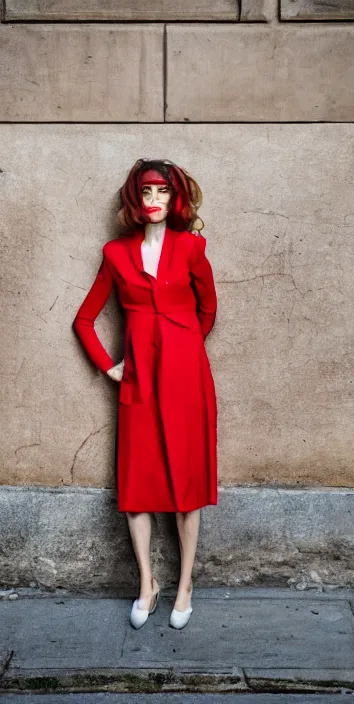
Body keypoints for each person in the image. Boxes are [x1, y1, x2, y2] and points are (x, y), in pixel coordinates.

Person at [73, 159, 218, 631]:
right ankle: (147, 584)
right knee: (137, 489)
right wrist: (109, 366)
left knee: (186, 490)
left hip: (187, 382)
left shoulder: (192, 247)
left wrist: (184, 348)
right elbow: (83, 319)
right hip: (138, 383)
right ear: (135, 200)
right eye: (147, 193)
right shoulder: (115, 254)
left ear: (176, 199)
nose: (155, 201)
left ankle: (186, 585)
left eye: (163, 193)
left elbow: (208, 308)